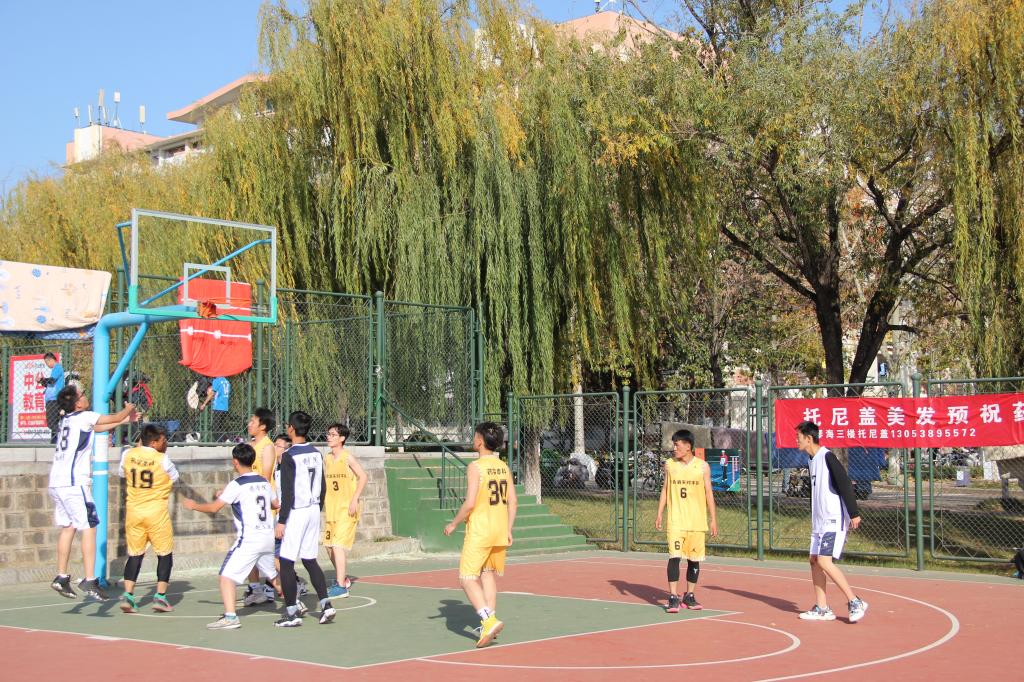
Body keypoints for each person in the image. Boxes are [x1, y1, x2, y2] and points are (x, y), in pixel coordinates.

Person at [48, 385, 136, 600]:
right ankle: (90, 579)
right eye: (83, 395)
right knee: (90, 527)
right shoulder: (85, 416)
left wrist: (124, 421)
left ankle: (61, 576)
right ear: (78, 403)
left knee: (68, 527)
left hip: (57, 483)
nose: (86, 397)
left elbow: (96, 428)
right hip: (74, 483)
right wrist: (127, 409)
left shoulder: (67, 420)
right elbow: (112, 417)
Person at [182, 443, 281, 630]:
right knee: (274, 577)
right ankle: (294, 604)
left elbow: (214, 508)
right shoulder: (263, 481)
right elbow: (275, 504)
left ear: (235, 462)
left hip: (249, 539)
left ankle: (230, 617)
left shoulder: (237, 485)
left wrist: (193, 505)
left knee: (226, 577)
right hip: (267, 536)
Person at [443, 421, 517, 648]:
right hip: (499, 529)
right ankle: (489, 621)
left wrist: (454, 523)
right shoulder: (503, 466)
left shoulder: (475, 467)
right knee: (486, 574)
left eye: (475, 436)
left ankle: (488, 620)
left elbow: (470, 503)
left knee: (466, 578)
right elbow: (513, 501)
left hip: (481, 530)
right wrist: (508, 528)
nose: (473, 439)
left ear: (481, 441)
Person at [794, 420, 869, 623]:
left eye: (799, 438)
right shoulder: (812, 460)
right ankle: (822, 608)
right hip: (819, 522)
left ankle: (855, 601)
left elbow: (844, 484)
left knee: (824, 561)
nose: (796, 441)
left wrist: (853, 512)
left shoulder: (827, 457)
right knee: (814, 560)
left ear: (809, 438)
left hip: (832, 520)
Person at [274, 411, 335, 627]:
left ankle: (292, 612)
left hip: (297, 511)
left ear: (291, 428)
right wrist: (317, 508)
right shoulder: (316, 453)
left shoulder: (289, 456)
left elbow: (288, 493)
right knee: (310, 559)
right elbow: (323, 486)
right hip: (313, 510)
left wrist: (282, 521)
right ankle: (326, 605)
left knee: (286, 562)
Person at [655, 429, 718, 613]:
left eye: (677, 445)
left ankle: (689, 595)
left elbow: (709, 493)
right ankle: (673, 596)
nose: (674, 448)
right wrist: (659, 513)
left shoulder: (702, 467)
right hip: (676, 521)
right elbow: (665, 489)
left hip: (696, 522)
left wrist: (713, 519)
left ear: (688, 446)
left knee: (694, 560)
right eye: (674, 445)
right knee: (674, 557)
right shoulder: (670, 465)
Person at [118, 423, 179, 614]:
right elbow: (175, 477)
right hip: (156, 513)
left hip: (134, 512)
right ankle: (160, 597)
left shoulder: (127, 455)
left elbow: (121, 472)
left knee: (135, 554)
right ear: (153, 443)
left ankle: (128, 595)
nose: (165, 443)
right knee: (164, 554)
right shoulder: (162, 458)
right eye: (163, 440)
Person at [323, 424, 368, 598]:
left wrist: (355, 499)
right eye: (329, 434)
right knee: (328, 547)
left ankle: (341, 586)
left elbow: (363, 476)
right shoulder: (327, 458)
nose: (329, 437)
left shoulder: (347, 457)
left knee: (337, 545)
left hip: (347, 509)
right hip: (332, 509)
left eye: (333, 434)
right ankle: (343, 578)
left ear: (341, 438)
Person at [241, 408, 278, 606]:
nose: (249, 424)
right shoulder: (248, 446)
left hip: (264, 507)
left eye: (253, 421)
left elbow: (265, 477)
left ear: (262, 426)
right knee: (249, 549)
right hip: (249, 506)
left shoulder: (267, 447)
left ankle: (290, 583)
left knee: (266, 552)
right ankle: (256, 589)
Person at [37, 352, 65, 444]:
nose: (47, 365)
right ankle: (54, 441)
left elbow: (51, 380)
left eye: (46, 363)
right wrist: (41, 381)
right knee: (54, 422)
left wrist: (42, 379)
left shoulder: (57, 367)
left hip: (54, 399)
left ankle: (62, 436)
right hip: (52, 399)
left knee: (51, 423)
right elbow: (49, 384)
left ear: (50, 360)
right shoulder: (55, 369)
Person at [209, 376, 231, 441]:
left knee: (215, 429)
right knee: (220, 427)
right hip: (225, 407)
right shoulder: (227, 382)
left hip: (218, 407)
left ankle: (220, 442)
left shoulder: (217, 380)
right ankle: (225, 440)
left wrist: (204, 403)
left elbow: (212, 393)